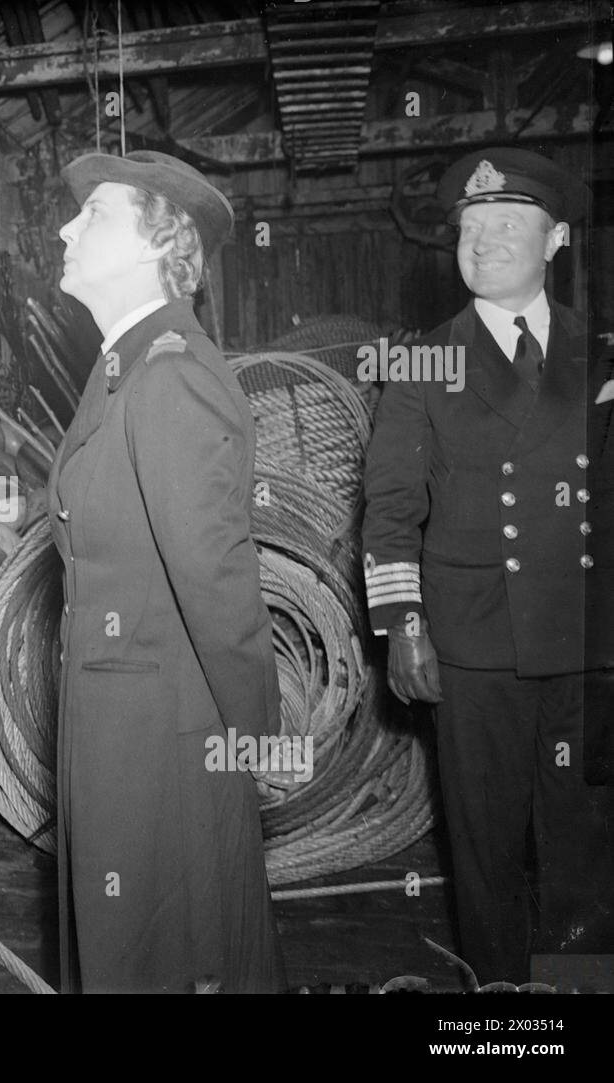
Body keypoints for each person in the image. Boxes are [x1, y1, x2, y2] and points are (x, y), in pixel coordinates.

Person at [362, 147, 614, 986]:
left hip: (584, 642)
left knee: (580, 839)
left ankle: (575, 999)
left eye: (507, 225)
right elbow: (390, 510)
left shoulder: (600, 352)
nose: (484, 242)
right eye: (471, 228)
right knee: (486, 848)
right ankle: (503, 1013)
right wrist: (403, 626)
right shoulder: (423, 360)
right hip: (473, 646)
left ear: (557, 240)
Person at [49, 150, 284, 993]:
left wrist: (259, 733)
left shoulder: (172, 372)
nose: (67, 228)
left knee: (167, 954)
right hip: (121, 721)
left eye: (95, 215)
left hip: (165, 738)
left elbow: (217, 579)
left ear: (161, 241)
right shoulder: (123, 364)